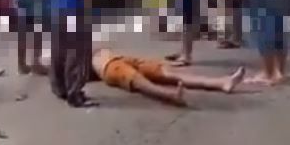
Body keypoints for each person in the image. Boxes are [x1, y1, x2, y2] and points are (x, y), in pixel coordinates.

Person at [90, 48, 246, 107]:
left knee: (167, 73)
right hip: (108, 66)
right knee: (135, 79)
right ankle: (169, 96)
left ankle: (221, 82)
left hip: (120, 58)